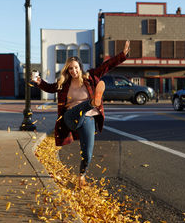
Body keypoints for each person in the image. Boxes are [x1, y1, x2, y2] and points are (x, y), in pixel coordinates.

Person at [32, 40, 130, 187]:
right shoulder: (64, 83)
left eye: (76, 68)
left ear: (80, 68)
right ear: (67, 70)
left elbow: (106, 66)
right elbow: (50, 88)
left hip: (87, 119)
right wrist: (38, 81)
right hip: (70, 117)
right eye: (70, 69)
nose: (74, 71)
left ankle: (81, 176)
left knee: (87, 153)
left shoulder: (90, 78)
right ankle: (91, 103)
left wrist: (122, 55)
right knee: (81, 109)